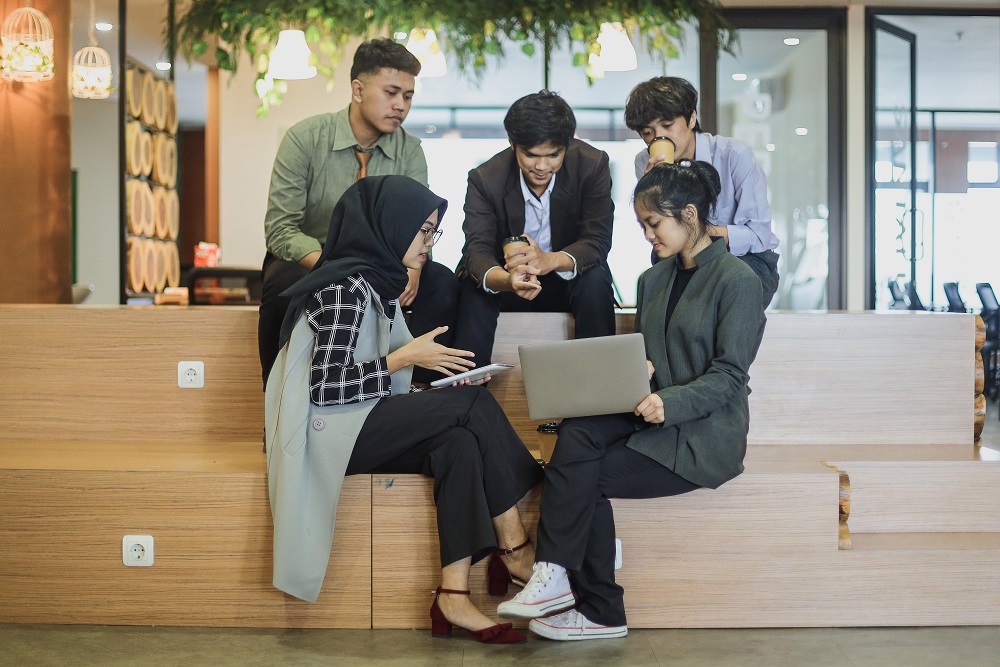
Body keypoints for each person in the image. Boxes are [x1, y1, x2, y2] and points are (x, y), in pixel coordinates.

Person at [265, 175, 543, 644]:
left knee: (458, 441)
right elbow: (326, 388)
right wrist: (405, 359)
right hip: (322, 434)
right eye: (423, 231)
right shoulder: (342, 290)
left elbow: (377, 385)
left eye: (434, 231)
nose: (429, 244)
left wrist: (433, 382)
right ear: (389, 227)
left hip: (353, 424)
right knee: (470, 404)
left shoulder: (374, 283)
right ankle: (515, 549)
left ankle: (453, 595)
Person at [496, 161, 766, 641]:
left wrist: (670, 400)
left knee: (586, 475)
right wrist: (638, 371)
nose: (647, 235)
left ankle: (599, 607)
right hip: (649, 414)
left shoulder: (738, 280)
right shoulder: (653, 279)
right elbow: (651, 352)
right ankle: (555, 575)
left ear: (689, 213)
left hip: (700, 435)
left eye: (654, 223)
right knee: (576, 431)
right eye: (642, 224)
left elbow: (729, 376)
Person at [259, 38, 458, 386]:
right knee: (283, 284)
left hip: (385, 263)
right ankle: (280, 402)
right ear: (358, 89)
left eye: (408, 96)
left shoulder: (410, 151)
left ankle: (419, 392)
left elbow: (421, 225)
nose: (401, 105)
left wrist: (414, 270)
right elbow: (280, 229)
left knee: (439, 281)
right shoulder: (305, 139)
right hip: (314, 259)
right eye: (392, 92)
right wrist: (332, 269)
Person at [452, 90, 616, 368]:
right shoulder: (485, 178)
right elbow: (476, 248)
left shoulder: (592, 165)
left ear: (568, 144)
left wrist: (549, 260)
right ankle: (469, 386)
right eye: (530, 155)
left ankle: (600, 385)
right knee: (472, 284)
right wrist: (507, 280)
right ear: (512, 143)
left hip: (565, 276)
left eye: (554, 155)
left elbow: (597, 239)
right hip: (508, 283)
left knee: (596, 279)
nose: (542, 166)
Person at [625, 76, 780, 307]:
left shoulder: (734, 155)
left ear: (691, 118)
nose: (658, 137)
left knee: (717, 300)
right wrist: (656, 187)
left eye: (667, 126)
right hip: (684, 258)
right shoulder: (644, 162)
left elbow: (758, 235)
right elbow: (662, 230)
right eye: (648, 132)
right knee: (654, 285)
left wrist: (697, 232)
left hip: (745, 257)